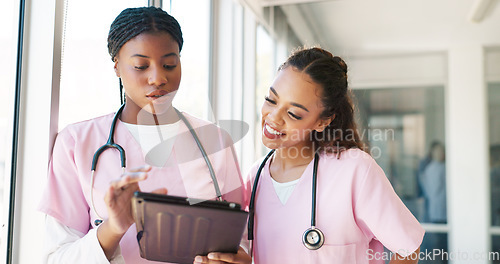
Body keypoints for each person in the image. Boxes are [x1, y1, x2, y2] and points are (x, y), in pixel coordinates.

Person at [38, 7, 249, 264]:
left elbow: (240, 242)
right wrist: (112, 228)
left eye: (170, 64)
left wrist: (237, 259)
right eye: (141, 66)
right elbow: (57, 257)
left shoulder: (215, 141)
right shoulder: (76, 143)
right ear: (116, 66)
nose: (158, 78)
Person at [242, 47, 424, 263]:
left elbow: (408, 248)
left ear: (322, 122)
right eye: (271, 100)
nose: (273, 117)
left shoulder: (355, 169)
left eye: (293, 113)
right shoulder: (255, 178)